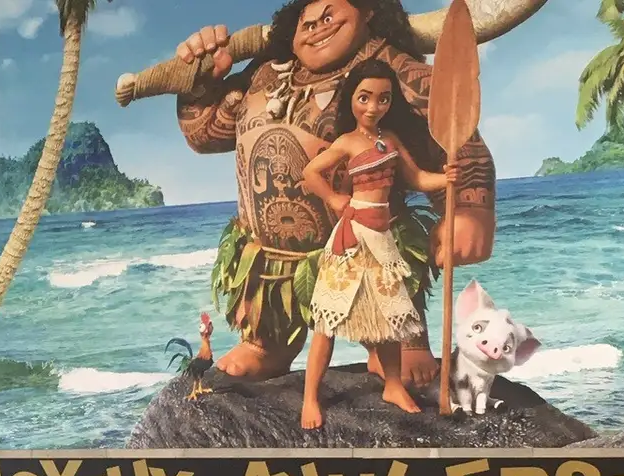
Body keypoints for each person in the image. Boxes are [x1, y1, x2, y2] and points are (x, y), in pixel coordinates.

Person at [173, 0, 496, 394]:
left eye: (329, 16)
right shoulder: (265, 72)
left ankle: (398, 345)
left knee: (385, 296)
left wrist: (469, 208)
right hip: (271, 263)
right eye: (306, 20)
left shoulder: (389, 68)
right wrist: (201, 82)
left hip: (365, 238)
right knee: (267, 324)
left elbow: (453, 126)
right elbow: (205, 135)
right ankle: (266, 341)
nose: (316, 26)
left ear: (369, 12)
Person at [298, 60, 448, 420]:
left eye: (383, 99)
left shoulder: (389, 140)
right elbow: (311, 172)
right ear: (351, 98)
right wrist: (334, 198)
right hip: (352, 238)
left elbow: (417, 178)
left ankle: (392, 384)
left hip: (381, 239)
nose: (372, 107)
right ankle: (309, 398)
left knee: (390, 317)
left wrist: (449, 178)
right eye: (364, 98)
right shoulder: (347, 142)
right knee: (327, 322)